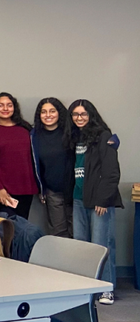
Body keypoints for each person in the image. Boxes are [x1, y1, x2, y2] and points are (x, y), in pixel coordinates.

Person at [69, 99, 122, 305]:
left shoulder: (103, 136)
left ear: (91, 115)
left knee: (102, 244)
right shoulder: (75, 138)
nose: (79, 118)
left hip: (100, 200)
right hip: (79, 198)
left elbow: (111, 171)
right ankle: (86, 287)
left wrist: (104, 199)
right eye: (75, 115)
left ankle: (106, 288)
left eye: (83, 114)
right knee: (82, 245)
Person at [0, 92, 37, 219]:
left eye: (9, 105)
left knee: (22, 227)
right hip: (1, 190)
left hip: (25, 188)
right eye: (0, 105)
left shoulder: (25, 128)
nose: (5, 109)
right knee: (5, 228)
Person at [30, 97, 73, 238]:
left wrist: (111, 141)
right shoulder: (34, 135)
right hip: (53, 192)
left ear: (59, 112)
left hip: (76, 191)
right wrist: (41, 188)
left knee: (78, 232)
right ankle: (62, 260)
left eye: (52, 111)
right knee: (58, 233)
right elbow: (35, 164)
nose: (48, 115)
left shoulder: (71, 132)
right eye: (44, 112)